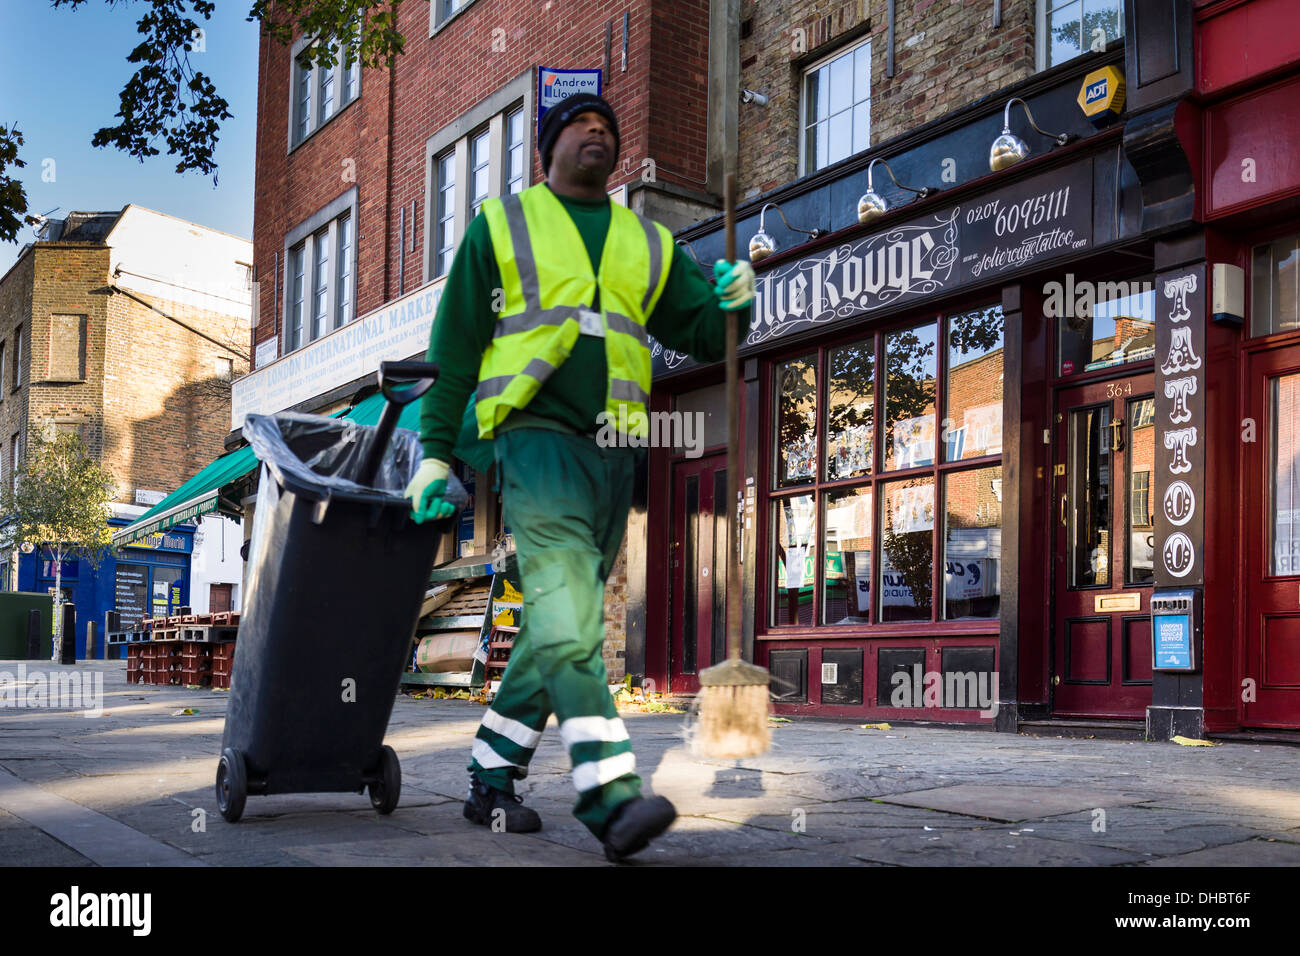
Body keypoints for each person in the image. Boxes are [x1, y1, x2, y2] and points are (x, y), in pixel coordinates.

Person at [404, 92, 754, 862]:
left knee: (552, 625)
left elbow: (700, 333)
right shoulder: (504, 226)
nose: (599, 131)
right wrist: (436, 452)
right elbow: (455, 349)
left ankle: (490, 777)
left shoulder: (646, 241)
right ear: (550, 146)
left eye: (610, 127)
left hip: (614, 453)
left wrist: (735, 302)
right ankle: (610, 795)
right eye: (581, 123)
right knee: (571, 619)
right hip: (533, 440)